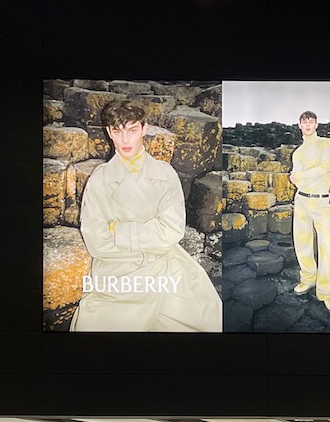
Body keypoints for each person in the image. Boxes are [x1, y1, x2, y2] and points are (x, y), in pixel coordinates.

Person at [72, 98, 222, 332]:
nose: (125, 140)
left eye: (132, 130)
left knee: (205, 316)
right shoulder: (99, 180)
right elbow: (96, 242)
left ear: (144, 129)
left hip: (164, 264)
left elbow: (172, 230)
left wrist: (118, 229)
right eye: (118, 131)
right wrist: (148, 236)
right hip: (116, 271)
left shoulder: (164, 174)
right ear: (109, 133)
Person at [290, 110, 330, 312]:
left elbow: (326, 167)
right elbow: (299, 179)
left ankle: (327, 291)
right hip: (301, 200)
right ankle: (308, 277)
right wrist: (309, 175)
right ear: (299, 125)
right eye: (304, 121)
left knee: (326, 246)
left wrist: (300, 175)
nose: (308, 125)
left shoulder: (326, 144)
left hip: (320, 202)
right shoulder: (298, 153)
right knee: (302, 242)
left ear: (316, 124)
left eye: (311, 121)